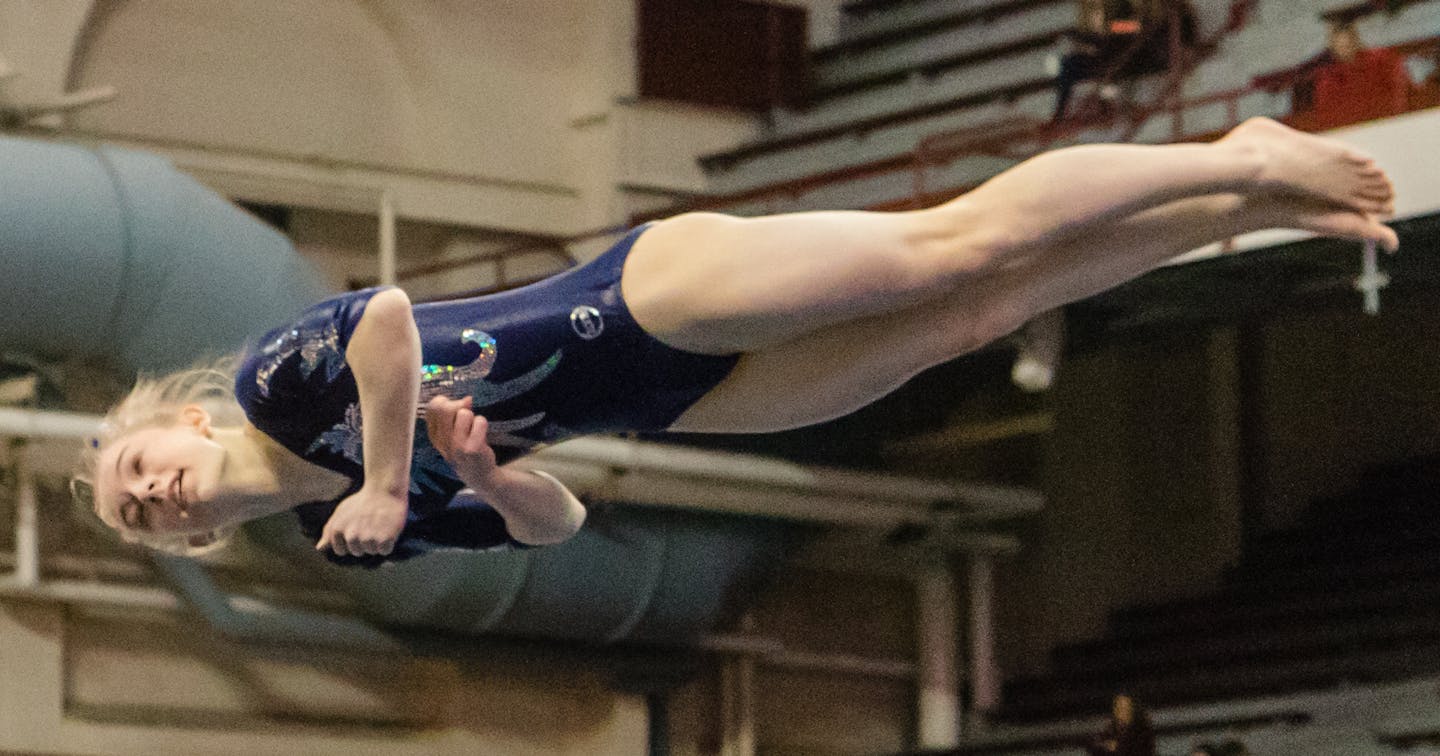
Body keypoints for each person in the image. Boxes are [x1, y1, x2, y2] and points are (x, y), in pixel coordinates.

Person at [75, 117, 1398, 567]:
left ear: (179, 428)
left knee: (961, 248)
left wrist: (379, 474)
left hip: (645, 301)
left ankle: (1223, 148)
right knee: (991, 318)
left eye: (137, 469)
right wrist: (478, 476)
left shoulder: (266, 390)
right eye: (143, 517)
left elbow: (384, 320)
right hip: (676, 407)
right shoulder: (356, 536)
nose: (150, 493)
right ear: (186, 536)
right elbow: (560, 527)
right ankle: (1242, 205)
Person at [1086, 694, 1156, 756]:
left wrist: (1117, 748)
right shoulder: (1111, 729)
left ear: (1132, 710)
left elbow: (1139, 749)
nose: (1120, 712)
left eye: (1124, 708)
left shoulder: (1142, 731)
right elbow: (1093, 744)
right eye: (1117, 707)